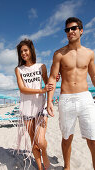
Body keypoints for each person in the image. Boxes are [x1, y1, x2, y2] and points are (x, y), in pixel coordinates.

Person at [47, 17, 95, 170]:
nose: (70, 32)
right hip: (66, 98)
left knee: (92, 138)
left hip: (85, 97)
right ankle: (67, 167)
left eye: (73, 28)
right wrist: (49, 101)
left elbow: (94, 76)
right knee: (67, 137)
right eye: (67, 30)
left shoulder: (89, 53)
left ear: (81, 30)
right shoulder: (59, 54)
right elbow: (53, 78)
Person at [15, 39, 54, 170]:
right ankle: (40, 167)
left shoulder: (41, 66)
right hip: (26, 109)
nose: (23, 53)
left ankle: (45, 155)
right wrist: (41, 90)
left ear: (31, 50)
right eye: (21, 52)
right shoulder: (18, 70)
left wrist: (54, 79)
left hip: (40, 107)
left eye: (25, 50)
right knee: (34, 142)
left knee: (41, 141)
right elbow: (22, 89)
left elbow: (48, 83)